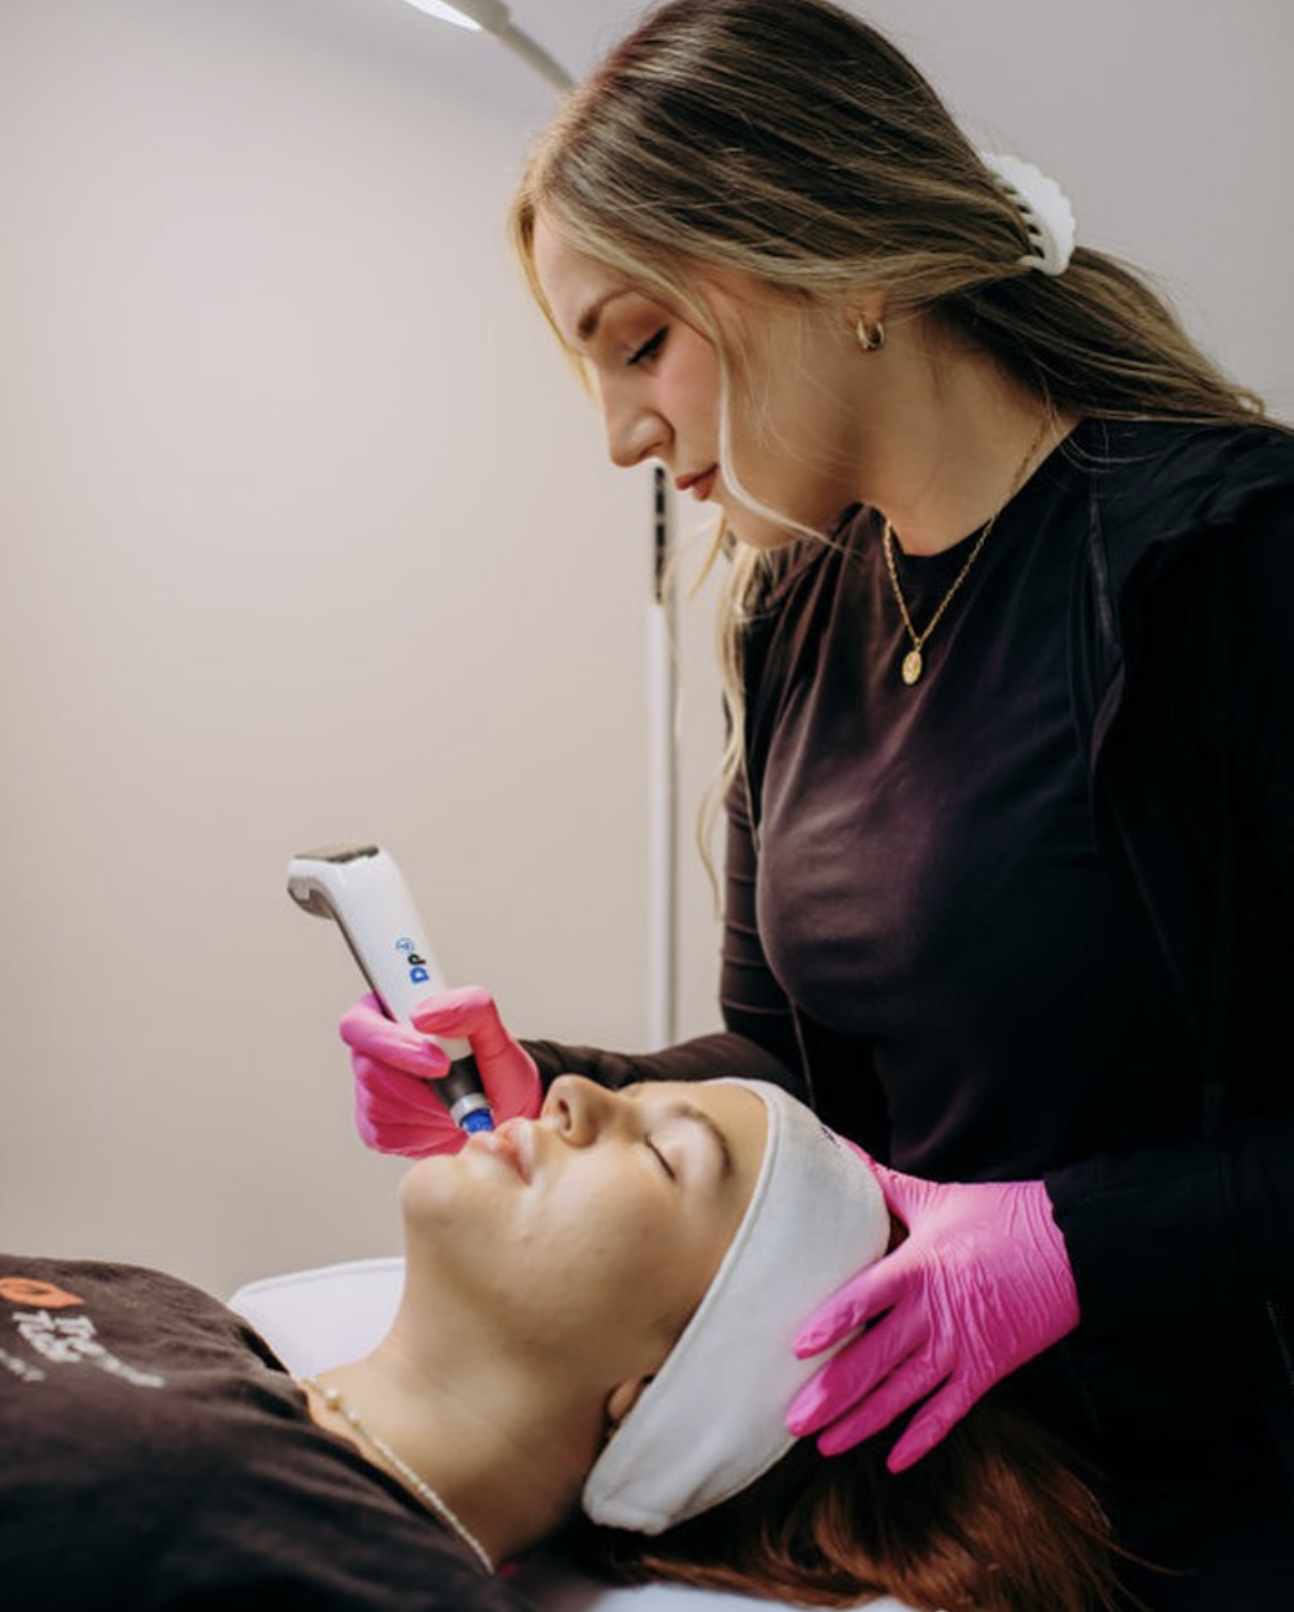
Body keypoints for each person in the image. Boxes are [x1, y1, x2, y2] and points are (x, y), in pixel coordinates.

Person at [338, 1, 1294, 1607]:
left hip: (1227, 1495)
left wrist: (1083, 1242)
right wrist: (544, 1077)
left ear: (824, 256)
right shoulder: (799, 618)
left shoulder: (1219, 565)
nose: (620, 434)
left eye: (640, 343)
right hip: (965, 1502)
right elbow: (794, 1069)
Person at [2, 1076, 1118, 1612]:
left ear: (659, 1396)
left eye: (664, 1154)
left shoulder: (348, 1575)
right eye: (632, 1096)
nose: (574, 1091)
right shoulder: (170, 1304)